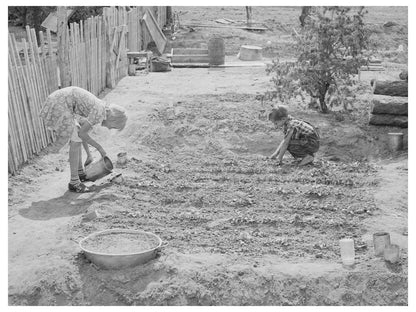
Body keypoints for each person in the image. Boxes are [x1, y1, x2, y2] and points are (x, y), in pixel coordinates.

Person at [40, 86, 127, 193]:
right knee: (75, 141)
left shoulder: (101, 108)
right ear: (113, 118)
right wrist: (100, 148)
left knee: (77, 134)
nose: (109, 128)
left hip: (63, 102)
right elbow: (82, 134)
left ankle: (80, 174)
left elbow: (83, 132)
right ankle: (74, 183)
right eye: (112, 126)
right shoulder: (99, 112)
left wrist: (89, 154)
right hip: (60, 103)